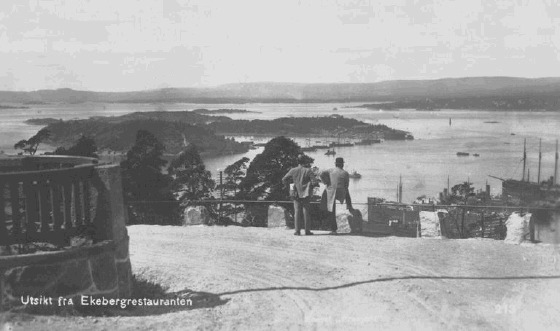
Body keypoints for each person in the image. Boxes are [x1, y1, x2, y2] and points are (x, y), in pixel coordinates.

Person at [320, 157, 354, 234]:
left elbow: (321, 174)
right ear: (342, 165)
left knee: (331, 208)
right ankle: (349, 206)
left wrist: (325, 182)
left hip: (331, 191)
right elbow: (346, 185)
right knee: (346, 191)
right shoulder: (345, 173)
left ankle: (333, 229)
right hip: (341, 191)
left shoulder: (330, 170)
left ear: (335, 164)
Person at [282, 155, 314, 236]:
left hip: (295, 192)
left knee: (297, 211)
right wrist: (310, 186)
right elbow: (314, 182)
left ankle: (297, 231)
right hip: (306, 193)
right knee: (306, 211)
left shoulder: (293, 170)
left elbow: (284, 179)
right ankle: (307, 231)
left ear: (298, 162)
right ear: (305, 162)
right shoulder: (308, 170)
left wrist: (290, 186)